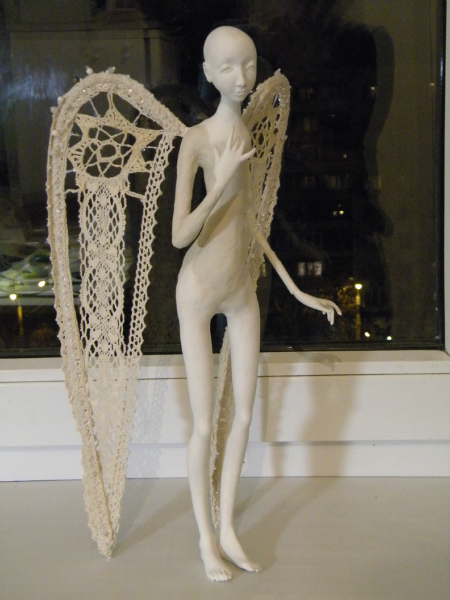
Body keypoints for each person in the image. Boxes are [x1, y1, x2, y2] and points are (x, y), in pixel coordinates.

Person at [172, 25, 341, 582]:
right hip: (198, 293)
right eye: (227, 67)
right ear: (207, 73)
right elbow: (180, 236)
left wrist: (295, 289)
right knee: (204, 424)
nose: (241, 78)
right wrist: (218, 181)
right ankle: (204, 538)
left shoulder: (246, 129)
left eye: (247, 65)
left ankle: (227, 529)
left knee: (244, 414)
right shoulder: (197, 140)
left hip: (240, 292)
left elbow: (248, 224)